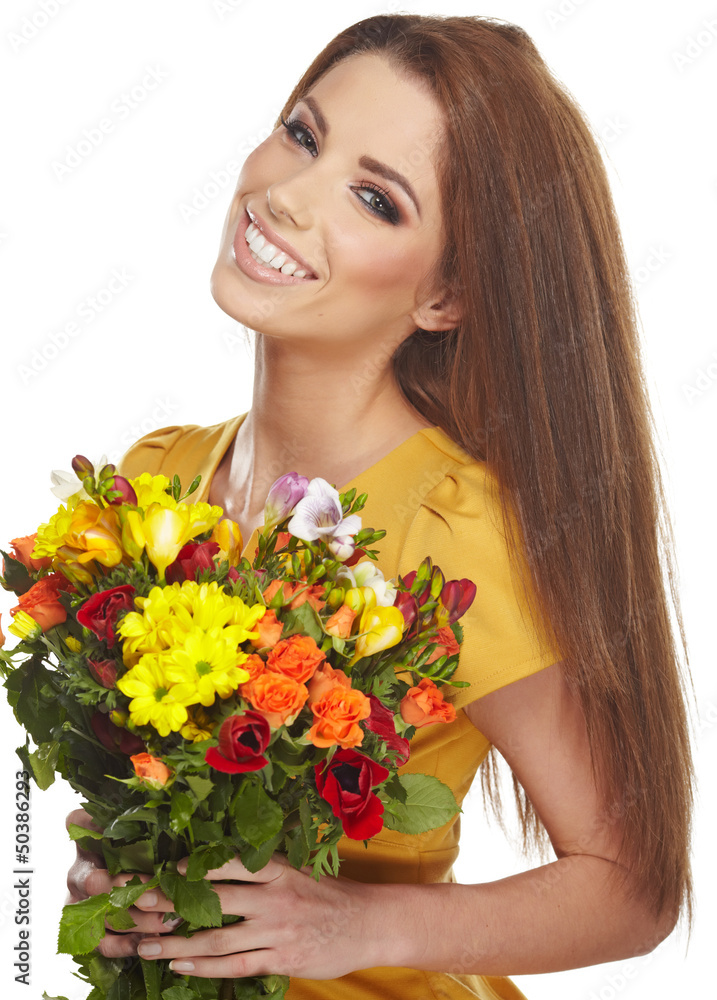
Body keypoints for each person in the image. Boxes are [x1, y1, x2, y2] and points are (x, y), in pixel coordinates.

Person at [66, 13, 694, 999]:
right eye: (302, 135)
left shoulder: (454, 530)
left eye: (373, 198)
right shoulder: (157, 484)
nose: (286, 196)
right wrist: (133, 878)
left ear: (445, 294)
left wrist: (352, 922)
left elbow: (633, 888)